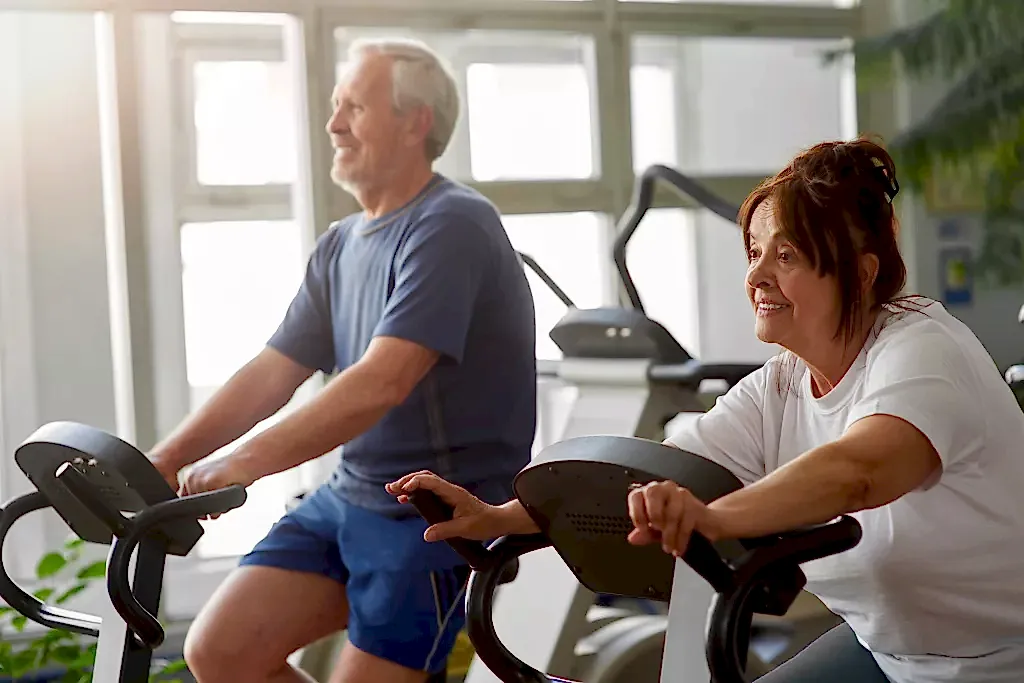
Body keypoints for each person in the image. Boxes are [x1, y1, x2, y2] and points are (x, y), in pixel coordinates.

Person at [387, 137, 1024, 683]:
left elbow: (858, 471)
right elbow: (646, 474)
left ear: (860, 272)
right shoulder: (780, 387)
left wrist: (713, 518)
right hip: (897, 656)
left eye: (788, 255)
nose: (758, 276)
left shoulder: (921, 350)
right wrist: (502, 518)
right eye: (754, 252)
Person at [149, 38, 537, 683]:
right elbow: (273, 370)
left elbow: (380, 382)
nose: (333, 125)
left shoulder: (451, 224)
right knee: (219, 652)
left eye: (353, 107)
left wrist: (238, 464)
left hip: (435, 519)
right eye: (336, 107)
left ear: (415, 122)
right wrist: (165, 459)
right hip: (346, 500)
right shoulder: (341, 243)